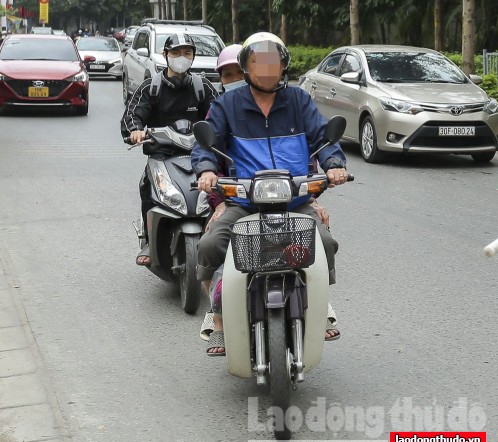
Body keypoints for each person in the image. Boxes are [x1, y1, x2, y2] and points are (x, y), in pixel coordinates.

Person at [193, 32, 348, 356]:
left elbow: (325, 136)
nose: (265, 70)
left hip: (295, 199)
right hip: (244, 202)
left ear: (283, 66)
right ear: (247, 67)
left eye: (272, 63)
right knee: (209, 246)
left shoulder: (299, 101)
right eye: (257, 63)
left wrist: (334, 164)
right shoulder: (227, 105)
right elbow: (206, 145)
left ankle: (320, 303)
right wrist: (207, 170)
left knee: (325, 242)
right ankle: (219, 318)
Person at [121, 32, 218, 266]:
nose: (181, 58)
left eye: (187, 53)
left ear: (193, 57)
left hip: (199, 155)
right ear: (165, 56)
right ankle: (147, 238)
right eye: (175, 53)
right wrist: (136, 130)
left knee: (220, 189)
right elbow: (132, 116)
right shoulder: (150, 88)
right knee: (147, 187)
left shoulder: (202, 86)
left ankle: (217, 237)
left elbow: (219, 115)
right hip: (161, 155)